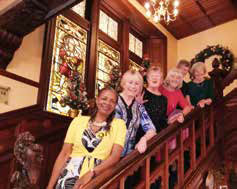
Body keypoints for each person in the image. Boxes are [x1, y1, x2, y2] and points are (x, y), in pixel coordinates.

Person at [46, 88, 126, 189]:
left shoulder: (119, 125)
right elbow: (64, 154)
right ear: (97, 100)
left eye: (112, 101)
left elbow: (115, 157)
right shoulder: (78, 121)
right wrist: (49, 186)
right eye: (104, 99)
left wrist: (92, 172)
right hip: (69, 176)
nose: (107, 103)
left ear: (115, 106)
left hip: (98, 177)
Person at [115, 70, 156, 157]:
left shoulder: (139, 107)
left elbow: (152, 130)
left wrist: (143, 139)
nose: (133, 86)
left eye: (137, 84)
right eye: (130, 82)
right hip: (108, 154)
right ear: (123, 83)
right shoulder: (113, 100)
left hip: (128, 157)